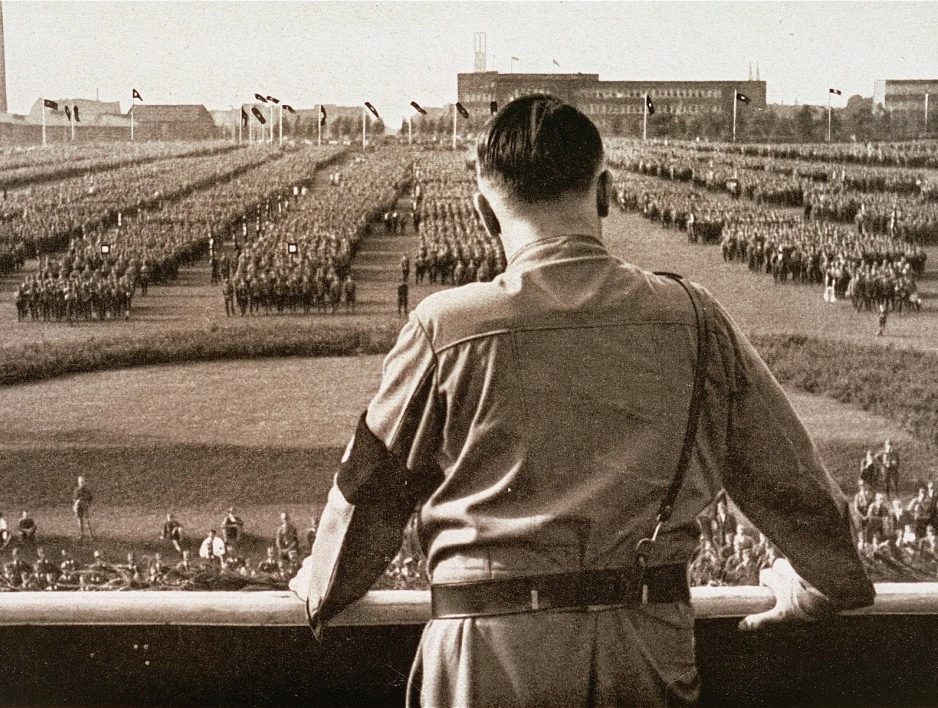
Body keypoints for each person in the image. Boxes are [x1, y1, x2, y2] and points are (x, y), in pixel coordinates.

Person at [290, 95, 874, 707]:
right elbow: (792, 483)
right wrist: (822, 585)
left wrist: (322, 585)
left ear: (484, 212)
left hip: (487, 653)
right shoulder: (695, 317)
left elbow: (370, 492)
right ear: (605, 192)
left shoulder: (444, 327)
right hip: (646, 649)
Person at [73, 476, 94, 540]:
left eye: (82, 482)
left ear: (85, 482)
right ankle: (82, 534)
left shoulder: (87, 490)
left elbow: (90, 498)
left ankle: (91, 535)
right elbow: (75, 499)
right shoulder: (77, 490)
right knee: (79, 520)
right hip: (79, 506)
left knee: (87, 520)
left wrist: (88, 504)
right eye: (80, 482)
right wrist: (75, 506)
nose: (81, 483)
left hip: (85, 506)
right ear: (78, 482)